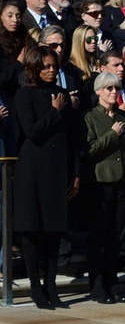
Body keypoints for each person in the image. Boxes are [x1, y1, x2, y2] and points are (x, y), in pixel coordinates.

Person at [14, 46, 78, 310]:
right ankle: (35, 287)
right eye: (45, 66)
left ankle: (51, 285)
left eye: (54, 66)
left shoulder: (63, 94)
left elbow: (73, 137)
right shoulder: (24, 94)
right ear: (34, 68)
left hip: (58, 168)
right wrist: (54, 112)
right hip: (33, 169)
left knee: (54, 229)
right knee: (32, 230)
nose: (51, 70)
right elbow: (32, 131)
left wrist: (75, 173)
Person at [81, 70, 125, 304]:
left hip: (123, 182)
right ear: (98, 92)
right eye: (109, 88)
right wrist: (112, 135)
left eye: (116, 88)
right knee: (99, 236)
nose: (114, 92)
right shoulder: (90, 117)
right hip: (100, 182)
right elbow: (90, 150)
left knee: (117, 237)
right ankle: (97, 286)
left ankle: (113, 282)